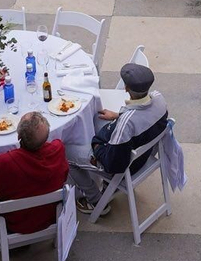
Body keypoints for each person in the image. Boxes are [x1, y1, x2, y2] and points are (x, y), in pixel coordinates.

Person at [66, 63, 169, 211]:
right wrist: (117, 115)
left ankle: (95, 201)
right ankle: (103, 185)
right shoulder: (159, 99)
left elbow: (113, 164)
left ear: (126, 88)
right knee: (98, 117)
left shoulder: (126, 124)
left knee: (66, 152)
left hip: (127, 167)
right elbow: (142, 115)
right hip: (145, 154)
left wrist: (96, 147)